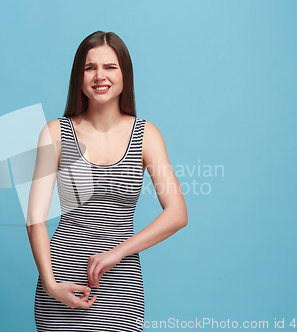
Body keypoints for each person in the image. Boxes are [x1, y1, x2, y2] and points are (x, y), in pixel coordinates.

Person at [26, 30, 188, 331]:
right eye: (90, 67)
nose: (100, 76)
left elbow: (178, 213)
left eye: (110, 67)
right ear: (79, 76)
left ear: (125, 74)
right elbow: (35, 219)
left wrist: (118, 253)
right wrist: (50, 285)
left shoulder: (146, 136)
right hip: (62, 282)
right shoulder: (55, 133)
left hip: (121, 286)